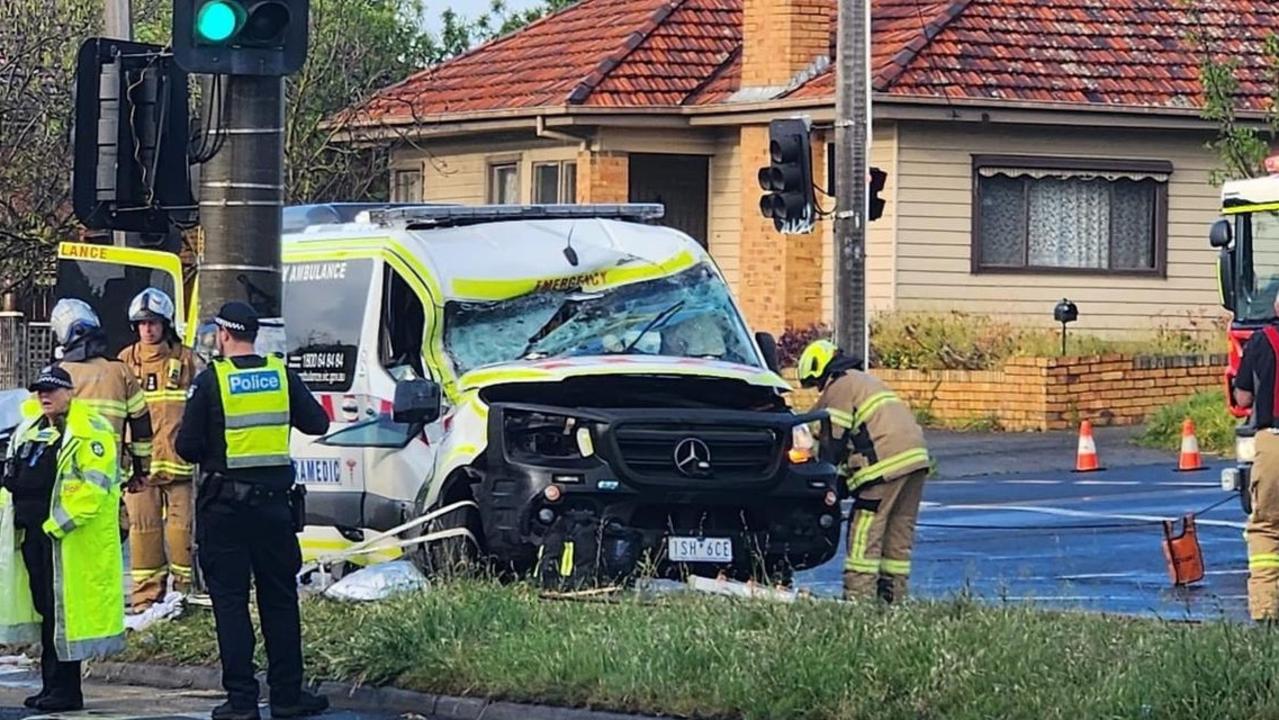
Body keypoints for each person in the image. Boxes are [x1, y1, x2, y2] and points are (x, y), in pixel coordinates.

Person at [177, 302, 331, 720]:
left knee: (230, 603)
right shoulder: (282, 375)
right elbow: (318, 423)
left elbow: (186, 447)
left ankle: (242, 701)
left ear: (224, 335)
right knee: (279, 601)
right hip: (275, 511)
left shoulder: (212, 382)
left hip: (224, 511)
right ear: (254, 335)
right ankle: (287, 695)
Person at [0, 366, 126, 711]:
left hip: (68, 542)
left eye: (52, 390)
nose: (45, 396)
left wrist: (58, 525)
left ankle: (66, 691)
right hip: (34, 536)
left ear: (70, 392)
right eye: (40, 390)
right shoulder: (29, 429)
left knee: (62, 616)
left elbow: (95, 488)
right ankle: (51, 686)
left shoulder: (88, 431)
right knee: (46, 612)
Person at [797, 339, 930, 604]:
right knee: (898, 534)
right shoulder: (863, 381)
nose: (819, 391)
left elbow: (831, 440)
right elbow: (860, 437)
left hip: (885, 466)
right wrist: (845, 481)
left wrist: (825, 477)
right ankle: (893, 601)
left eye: (817, 384)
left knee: (864, 533)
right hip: (915, 461)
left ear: (821, 372)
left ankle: (858, 601)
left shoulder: (840, 387)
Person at [119, 288, 199, 611]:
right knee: (144, 534)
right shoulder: (125, 362)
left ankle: (184, 595)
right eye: (142, 324)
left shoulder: (188, 359)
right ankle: (146, 602)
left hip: (181, 465)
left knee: (183, 533)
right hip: (140, 469)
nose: (148, 329)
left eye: (153, 323)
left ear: (165, 325)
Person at [49, 298, 153, 539]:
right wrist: (141, 471)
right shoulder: (120, 371)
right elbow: (142, 425)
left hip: (65, 484)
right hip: (109, 480)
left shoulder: (56, 377)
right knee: (107, 548)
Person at [1232, 297, 1279, 621]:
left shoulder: (1263, 339)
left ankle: (1265, 612)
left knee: (1266, 527)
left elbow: (1243, 397)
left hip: (1273, 440)